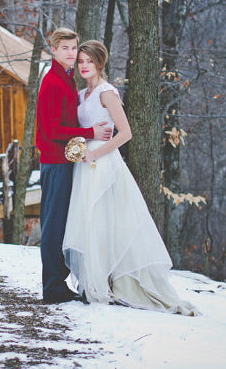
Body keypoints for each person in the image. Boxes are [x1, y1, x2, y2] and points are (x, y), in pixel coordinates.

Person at [62, 40, 197, 315]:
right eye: (81, 61)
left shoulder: (106, 93)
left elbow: (125, 133)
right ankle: (94, 282)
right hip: (84, 165)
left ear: (100, 64)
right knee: (90, 222)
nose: (84, 66)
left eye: (89, 61)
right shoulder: (81, 94)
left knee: (105, 221)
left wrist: (96, 153)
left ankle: (115, 281)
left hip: (102, 163)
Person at [36, 29, 112, 304]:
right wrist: (91, 133)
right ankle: (53, 287)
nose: (71, 53)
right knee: (54, 224)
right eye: (65, 48)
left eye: (73, 48)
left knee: (62, 223)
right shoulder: (52, 82)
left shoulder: (66, 78)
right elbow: (51, 129)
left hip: (66, 159)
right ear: (53, 50)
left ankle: (60, 281)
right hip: (55, 161)